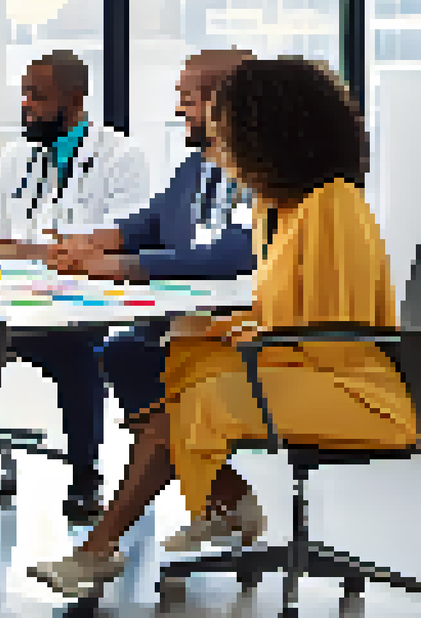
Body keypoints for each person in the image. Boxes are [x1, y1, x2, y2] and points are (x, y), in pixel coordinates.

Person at [31, 57, 419, 599]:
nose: (220, 146)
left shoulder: (333, 207)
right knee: (173, 359)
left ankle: (101, 548)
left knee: (192, 390)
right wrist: (215, 332)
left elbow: (330, 328)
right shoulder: (275, 206)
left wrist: (233, 334)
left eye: (228, 132)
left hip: (346, 382)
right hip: (296, 360)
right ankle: (180, 519)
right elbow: (277, 312)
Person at [47, 49, 258, 458]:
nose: (179, 109)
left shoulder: (259, 175)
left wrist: (122, 266)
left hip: (234, 327)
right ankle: (215, 489)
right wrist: (90, 244)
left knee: (133, 352)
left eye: (189, 99)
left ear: (225, 104)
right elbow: (151, 221)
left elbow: (232, 256)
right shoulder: (194, 168)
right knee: (123, 351)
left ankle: (213, 490)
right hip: (183, 316)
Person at [0, 50, 153, 523]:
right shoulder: (15, 156)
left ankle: (85, 476)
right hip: (11, 307)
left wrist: (34, 250)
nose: (27, 104)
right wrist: (49, 252)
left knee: (76, 352)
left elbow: (116, 247)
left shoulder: (120, 157)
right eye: (25, 93)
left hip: (78, 312)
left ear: (75, 98)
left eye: (39, 95)